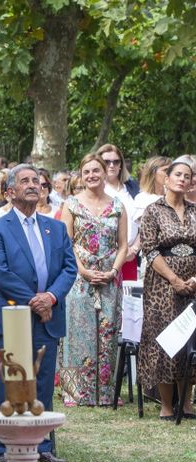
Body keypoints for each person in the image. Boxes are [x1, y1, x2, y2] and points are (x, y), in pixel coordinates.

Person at [0, 164, 76, 462]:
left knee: (43, 381)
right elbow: (1, 273)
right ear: (10, 192)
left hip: (47, 316)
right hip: (12, 315)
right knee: (10, 381)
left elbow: (68, 268)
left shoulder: (56, 227)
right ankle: (6, 446)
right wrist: (34, 300)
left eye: (36, 181)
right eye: (25, 181)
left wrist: (50, 297)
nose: (33, 185)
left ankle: (43, 443)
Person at [58, 154, 127, 407]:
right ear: (81, 175)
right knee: (78, 331)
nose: (91, 176)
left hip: (109, 278)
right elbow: (66, 243)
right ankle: (75, 390)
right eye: (86, 172)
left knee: (108, 332)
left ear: (104, 172)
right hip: (80, 277)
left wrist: (114, 271)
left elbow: (123, 245)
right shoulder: (72, 204)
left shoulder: (118, 205)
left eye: (96, 170)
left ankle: (106, 391)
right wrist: (83, 270)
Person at [138, 159, 196, 420]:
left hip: (193, 283)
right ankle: (166, 405)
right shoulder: (153, 211)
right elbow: (150, 250)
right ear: (167, 178)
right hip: (161, 283)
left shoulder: (195, 211)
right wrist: (173, 278)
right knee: (165, 338)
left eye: (188, 176)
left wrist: (193, 278)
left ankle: (186, 403)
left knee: (190, 339)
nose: (183, 179)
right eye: (178, 174)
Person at [99, 143, 138, 280]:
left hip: (130, 256)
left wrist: (134, 248)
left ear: (121, 164)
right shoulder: (96, 188)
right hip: (103, 257)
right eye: (106, 161)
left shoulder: (133, 187)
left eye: (116, 161)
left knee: (129, 300)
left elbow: (145, 221)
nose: (111, 165)